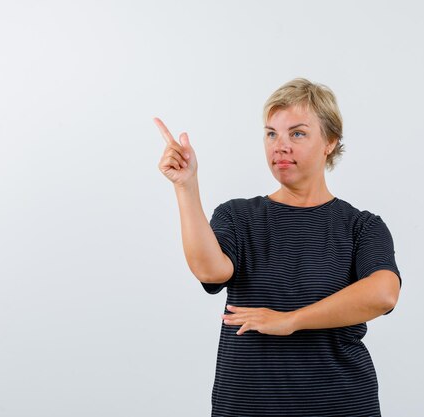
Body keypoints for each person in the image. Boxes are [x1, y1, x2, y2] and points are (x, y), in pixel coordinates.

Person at [155, 77, 402, 417]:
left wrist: (291, 320)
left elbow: (383, 294)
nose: (280, 145)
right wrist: (186, 186)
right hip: (246, 406)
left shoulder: (361, 226)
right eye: (271, 133)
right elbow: (210, 270)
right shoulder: (238, 216)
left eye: (297, 133)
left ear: (329, 142)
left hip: (338, 404)